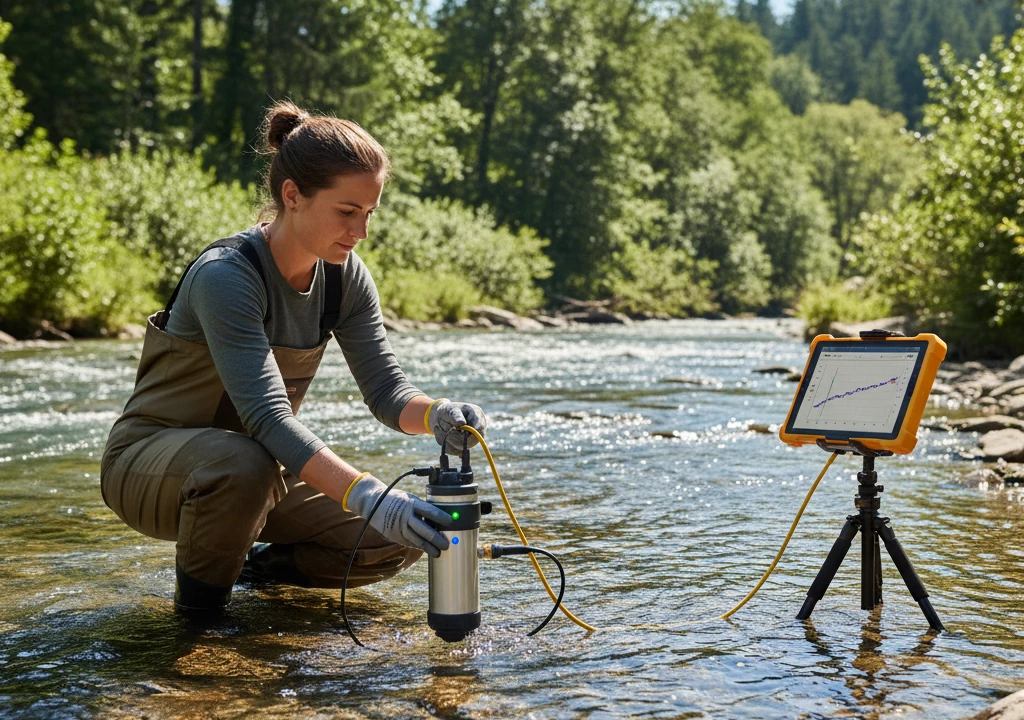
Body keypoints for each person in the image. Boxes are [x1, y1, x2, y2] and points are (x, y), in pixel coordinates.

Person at [100, 101, 487, 612]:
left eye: (369, 213)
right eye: (347, 212)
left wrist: (437, 414)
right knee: (246, 465)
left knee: (401, 534)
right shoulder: (227, 276)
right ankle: (198, 621)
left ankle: (252, 570)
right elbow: (266, 417)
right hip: (148, 465)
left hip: (257, 472)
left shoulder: (345, 276)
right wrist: (372, 497)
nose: (361, 231)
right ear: (293, 196)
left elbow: (386, 392)